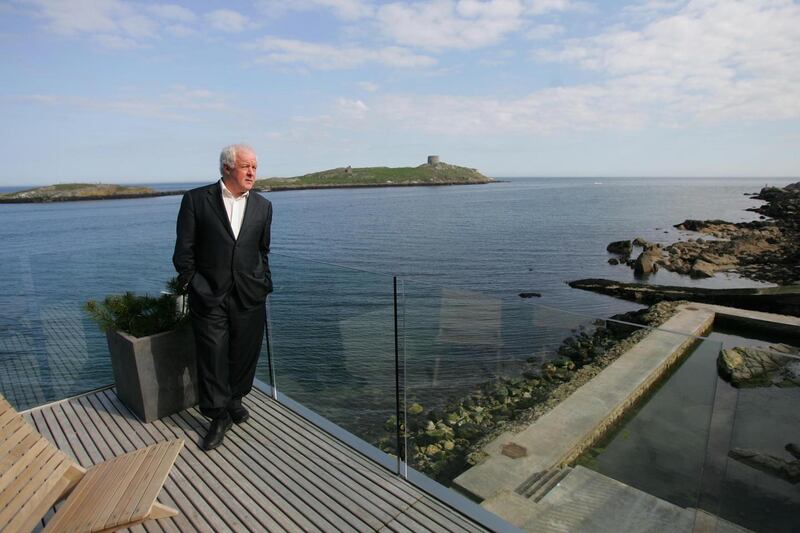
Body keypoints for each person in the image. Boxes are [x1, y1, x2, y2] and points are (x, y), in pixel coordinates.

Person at [173, 144, 272, 451]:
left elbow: (263, 251)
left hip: (249, 295)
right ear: (228, 168)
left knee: (245, 354)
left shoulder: (264, 206)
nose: (252, 172)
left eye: (255, 167)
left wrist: (264, 283)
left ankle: (234, 400)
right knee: (213, 356)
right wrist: (194, 285)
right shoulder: (196, 200)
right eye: (246, 166)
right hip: (209, 296)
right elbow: (183, 252)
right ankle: (217, 416)